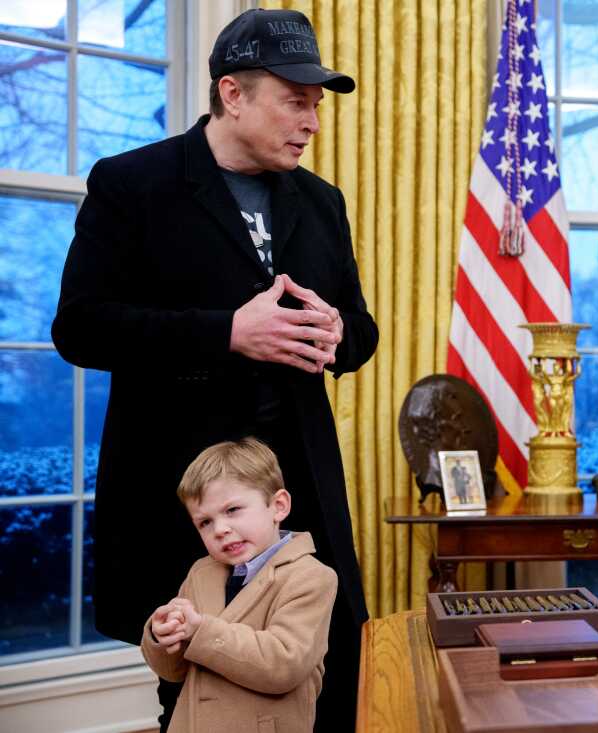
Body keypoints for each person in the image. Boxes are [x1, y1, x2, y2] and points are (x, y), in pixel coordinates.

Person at [51, 8, 377, 731]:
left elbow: (359, 330)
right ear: (233, 94)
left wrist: (338, 334)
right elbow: (79, 326)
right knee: (200, 683)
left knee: (330, 674)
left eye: (316, 104)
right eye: (297, 100)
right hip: (184, 499)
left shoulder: (323, 203)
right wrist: (227, 331)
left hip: (299, 496)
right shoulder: (132, 185)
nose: (312, 122)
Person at [142, 438, 336, 732]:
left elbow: (284, 664)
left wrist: (200, 630)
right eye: (205, 522)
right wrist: (163, 637)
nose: (220, 529)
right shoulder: (201, 573)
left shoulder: (311, 578)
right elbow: (174, 672)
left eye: (232, 510)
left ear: (278, 506)